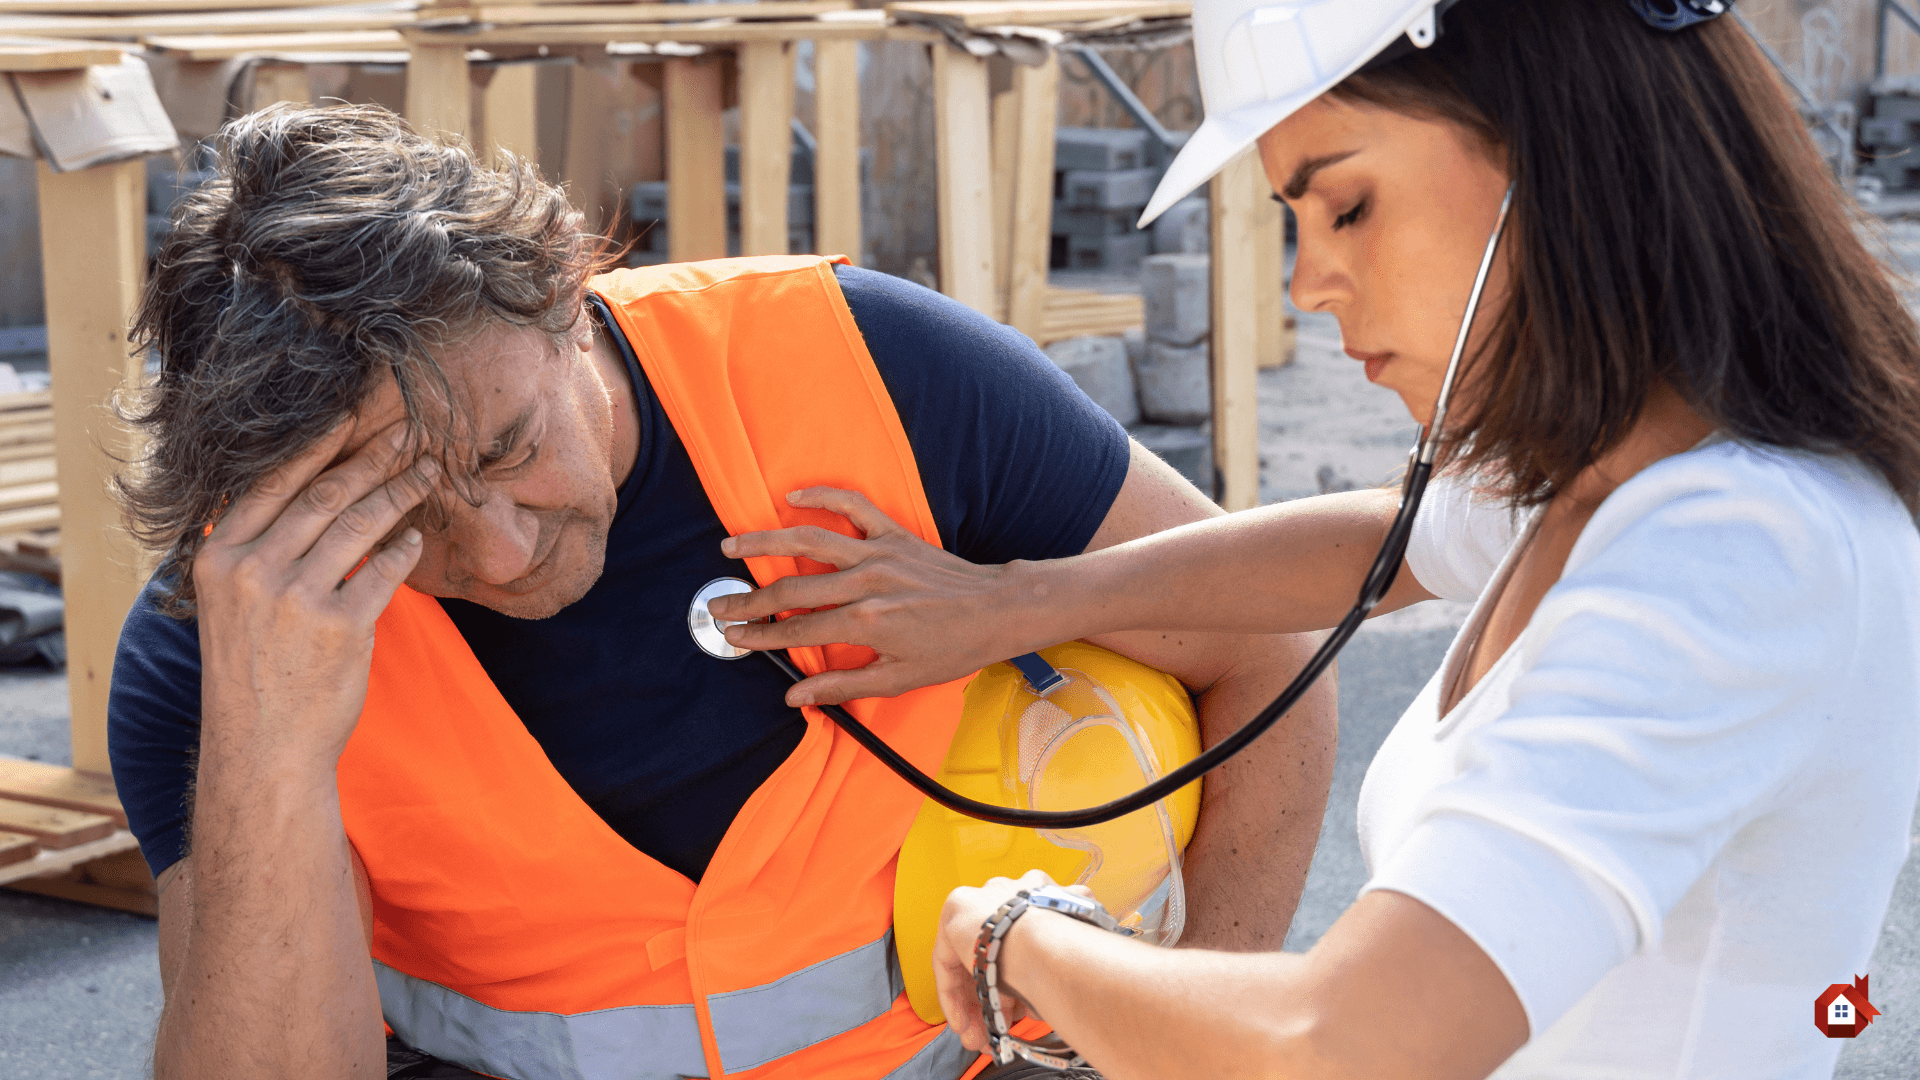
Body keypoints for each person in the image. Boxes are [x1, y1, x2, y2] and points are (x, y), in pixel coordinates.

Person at [705, 2, 1920, 1078]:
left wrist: (1018, 936)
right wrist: (1014, 602)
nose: (1309, 283)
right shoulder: (1608, 485)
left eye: (1348, 204)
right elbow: (1377, 545)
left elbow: (1349, 1045)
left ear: (1561, 155)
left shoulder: (1736, 554)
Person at [104, 105, 1339, 1080]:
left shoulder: (870, 369)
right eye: (400, 522)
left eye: (505, 450)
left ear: (563, 292)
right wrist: (266, 749)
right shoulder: (229, 634)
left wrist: (1195, 1050)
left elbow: (1266, 645)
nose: (495, 553)